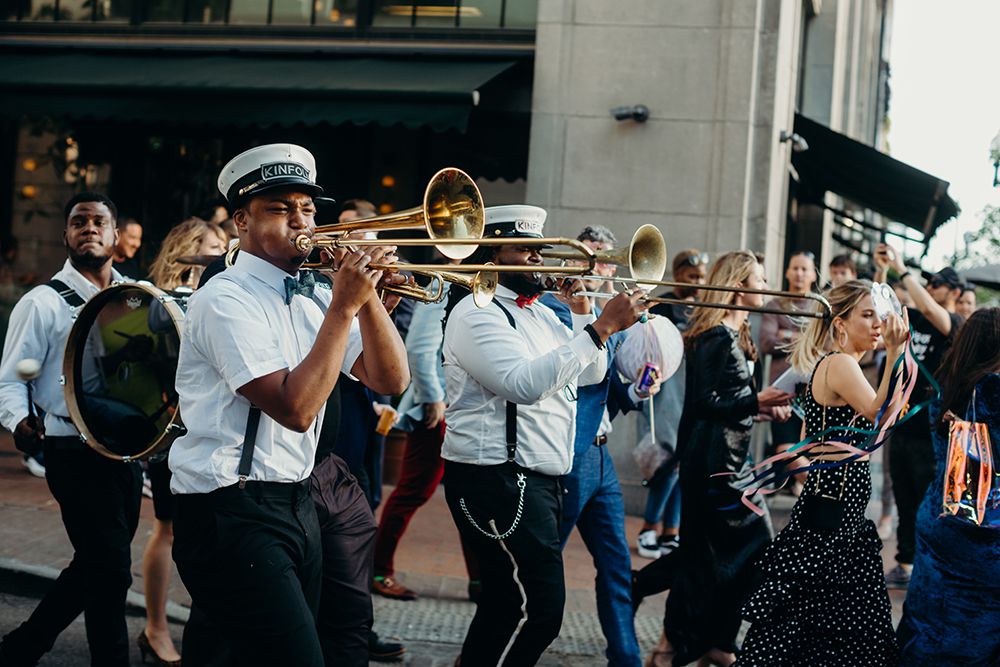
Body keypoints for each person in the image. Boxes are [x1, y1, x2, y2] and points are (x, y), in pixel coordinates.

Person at [168, 144, 409, 667]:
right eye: (280, 209)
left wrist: (368, 298)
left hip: (298, 499)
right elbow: (295, 409)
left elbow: (389, 379)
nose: (301, 221)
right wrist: (345, 304)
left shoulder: (316, 295)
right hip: (230, 505)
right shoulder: (224, 298)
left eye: (308, 208)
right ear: (241, 221)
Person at [441, 205, 645, 666]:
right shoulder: (476, 313)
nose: (538, 258)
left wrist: (584, 314)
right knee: (543, 611)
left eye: (539, 249)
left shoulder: (541, 314)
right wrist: (603, 327)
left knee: (503, 604)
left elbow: (591, 373)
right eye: (525, 250)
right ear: (493, 257)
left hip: (536, 477)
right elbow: (523, 384)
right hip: (496, 476)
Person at [0, 192, 143, 667]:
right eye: (79, 222)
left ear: (115, 235)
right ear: (65, 235)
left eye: (99, 221)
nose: (89, 228)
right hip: (70, 448)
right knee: (111, 567)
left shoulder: (136, 296)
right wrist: (18, 420)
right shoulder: (41, 303)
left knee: (100, 564)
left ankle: (23, 645)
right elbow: (9, 379)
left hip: (126, 449)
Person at [736, 280, 909, 666]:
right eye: (867, 315)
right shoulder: (840, 363)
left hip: (836, 514)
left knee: (817, 629)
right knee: (820, 628)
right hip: (832, 517)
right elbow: (880, 415)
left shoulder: (835, 365)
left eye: (878, 315)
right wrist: (897, 353)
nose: (878, 324)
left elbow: (807, 442)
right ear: (841, 323)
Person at [647, 250, 793, 667]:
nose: (765, 286)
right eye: (759, 280)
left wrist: (761, 409)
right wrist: (756, 401)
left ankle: (715, 642)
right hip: (712, 465)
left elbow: (728, 403)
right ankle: (678, 637)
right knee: (722, 553)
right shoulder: (715, 336)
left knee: (715, 555)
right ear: (738, 286)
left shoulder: (737, 333)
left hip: (729, 461)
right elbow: (703, 402)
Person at [539, 223, 657, 667]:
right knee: (542, 563)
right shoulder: (554, 308)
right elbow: (576, 376)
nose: (599, 266)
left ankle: (626, 658)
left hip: (602, 454)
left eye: (606, 259)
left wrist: (639, 390)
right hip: (572, 452)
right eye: (589, 255)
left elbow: (609, 388)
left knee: (616, 565)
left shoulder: (612, 313)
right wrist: (597, 317)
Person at [134, 217, 228, 666]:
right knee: (168, 529)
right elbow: (162, 330)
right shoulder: (164, 299)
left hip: (210, 433)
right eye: (216, 246)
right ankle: (155, 627)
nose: (225, 253)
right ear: (190, 250)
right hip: (175, 432)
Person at [372, 252, 480, 603]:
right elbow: (419, 348)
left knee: (471, 499)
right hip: (442, 410)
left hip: (466, 409)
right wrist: (434, 398)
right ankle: (378, 569)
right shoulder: (444, 282)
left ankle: (480, 579)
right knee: (414, 491)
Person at [897, 307, 1000, 666]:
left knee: (928, 616)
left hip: (939, 518)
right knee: (976, 633)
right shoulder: (993, 393)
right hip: (985, 536)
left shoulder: (945, 385)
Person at [874, 244, 965, 590]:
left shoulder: (955, 324)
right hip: (903, 424)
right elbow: (883, 311)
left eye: (937, 283)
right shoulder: (915, 317)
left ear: (955, 292)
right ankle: (905, 562)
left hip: (931, 431)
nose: (929, 287)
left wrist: (901, 268)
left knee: (927, 501)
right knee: (904, 498)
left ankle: (927, 567)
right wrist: (882, 271)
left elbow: (928, 306)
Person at [636, 248, 708, 559]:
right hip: (665, 395)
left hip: (690, 394)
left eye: (701, 277)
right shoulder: (662, 305)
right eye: (692, 276)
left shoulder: (704, 308)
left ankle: (671, 531)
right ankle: (648, 528)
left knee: (683, 467)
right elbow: (646, 349)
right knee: (666, 466)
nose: (698, 282)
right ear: (678, 274)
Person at [760, 250, 818, 494]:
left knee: (811, 451)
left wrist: (785, 334)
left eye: (805, 269)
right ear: (787, 272)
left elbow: (825, 344)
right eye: (795, 268)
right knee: (785, 448)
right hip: (782, 392)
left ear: (814, 275)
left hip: (814, 392)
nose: (799, 274)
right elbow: (767, 342)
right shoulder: (775, 305)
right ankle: (815, 489)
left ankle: (810, 493)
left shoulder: (821, 306)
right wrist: (805, 339)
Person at [148, 218, 228, 291]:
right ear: (192, 251)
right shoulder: (165, 297)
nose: (223, 251)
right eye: (215, 246)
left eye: (224, 247)